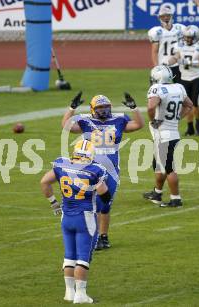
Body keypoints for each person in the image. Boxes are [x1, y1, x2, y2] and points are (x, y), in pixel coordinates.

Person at [62, 92, 144, 250]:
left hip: (111, 170)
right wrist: (71, 107)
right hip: (89, 170)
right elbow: (66, 126)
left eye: (106, 107)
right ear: (93, 109)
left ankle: (103, 237)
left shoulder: (119, 120)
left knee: (104, 205)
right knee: (89, 204)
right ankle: (90, 235)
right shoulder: (86, 121)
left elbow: (138, 125)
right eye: (100, 107)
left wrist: (134, 108)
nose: (104, 110)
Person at [40, 139, 111, 304]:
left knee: (69, 256)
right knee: (83, 257)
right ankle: (80, 295)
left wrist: (54, 203)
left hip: (66, 217)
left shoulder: (61, 164)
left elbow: (44, 182)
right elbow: (104, 195)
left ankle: (69, 292)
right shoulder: (95, 170)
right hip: (85, 217)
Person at [143, 65, 194, 207]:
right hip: (172, 132)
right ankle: (157, 193)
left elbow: (151, 107)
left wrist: (153, 121)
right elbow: (189, 105)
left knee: (168, 168)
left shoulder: (157, 89)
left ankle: (175, 199)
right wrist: (177, 118)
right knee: (158, 165)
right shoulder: (179, 87)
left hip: (163, 135)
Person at [165, 25, 199, 136]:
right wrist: (167, 63)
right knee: (186, 104)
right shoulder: (180, 46)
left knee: (195, 103)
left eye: (190, 37)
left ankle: (198, 125)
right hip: (184, 78)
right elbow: (175, 57)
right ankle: (190, 128)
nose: (187, 39)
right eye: (186, 37)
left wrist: (189, 63)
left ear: (196, 37)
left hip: (197, 78)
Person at [148, 5, 185, 83]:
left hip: (178, 65)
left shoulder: (180, 28)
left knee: (181, 90)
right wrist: (156, 66)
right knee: (159, 90)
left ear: (171, 16)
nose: (166, 18)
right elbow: (155, 51)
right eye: (163, 16)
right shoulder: (156, 32)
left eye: (168, 16)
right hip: (162, 65)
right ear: (159, 18)